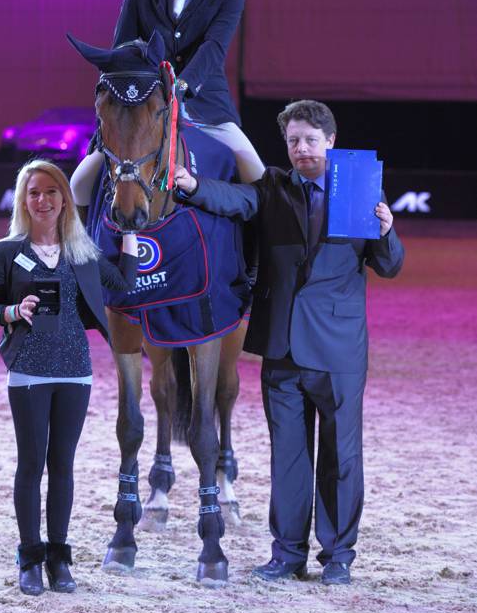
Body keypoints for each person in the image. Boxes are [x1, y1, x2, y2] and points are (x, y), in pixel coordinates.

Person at [173, 100, 404, 585]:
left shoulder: (361, 187)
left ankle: (339, 556)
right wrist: (193, 187)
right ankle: (287, 554)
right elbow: (235, 200)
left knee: (342, 457)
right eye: (294, 141)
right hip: (282, 349)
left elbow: (388, 265)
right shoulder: (273, 188)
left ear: (331, 142)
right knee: (289, 457)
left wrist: (386, 231)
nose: (301, 150)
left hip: (339, 350)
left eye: (310, 141)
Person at [0, 159, 138, 596]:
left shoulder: (81, 251)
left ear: (64, 199)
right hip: (28, 370)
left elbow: (124, 282)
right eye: (34, 193)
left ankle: (59, 559)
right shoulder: (6, 251)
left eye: (52, 192)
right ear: (23, 200)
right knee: (30, 465)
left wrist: (129, 227)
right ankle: (29, 557)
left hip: (74, 372)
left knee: (62, 466)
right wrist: (14, 311)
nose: (43, 200)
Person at [70, 0, 265, 210]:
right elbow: (122, 52)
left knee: (258, 177)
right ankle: (79, 254)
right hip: (143, 106)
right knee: (79, 183)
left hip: (206, 106)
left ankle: (255, 259)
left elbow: (214, 47)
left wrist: (182, 86)